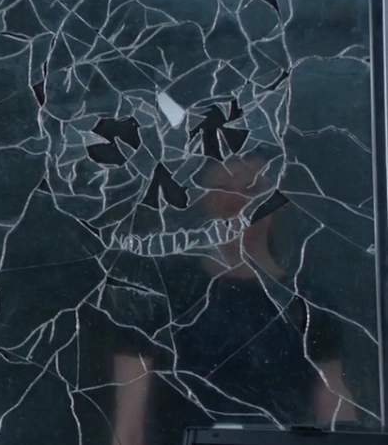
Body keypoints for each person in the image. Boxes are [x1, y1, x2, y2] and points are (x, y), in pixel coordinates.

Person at [109, 153, 355, 445]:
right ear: (203, 198)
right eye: (223, 188)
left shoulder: (309, 303)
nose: (238, 202)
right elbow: (128, 426)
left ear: (278, 199)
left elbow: (334, 407)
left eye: (252, 188)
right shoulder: (159, 293)